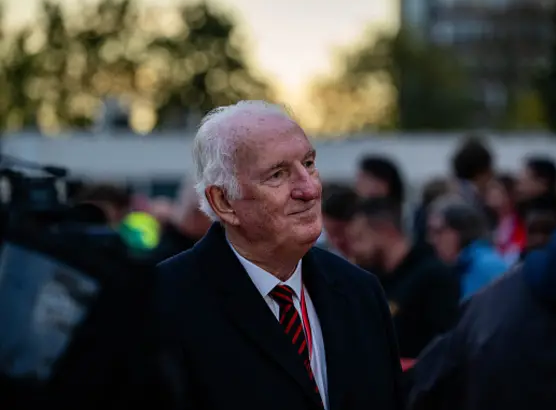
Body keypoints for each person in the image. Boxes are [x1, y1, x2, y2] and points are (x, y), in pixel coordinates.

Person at [135, 101, 405, 410]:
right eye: (277, 174)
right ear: (223, 201)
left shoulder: (360, 292)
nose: (309, 189)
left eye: (309, 163)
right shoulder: (163, 303)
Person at [409, 139, 556, 410]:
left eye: (439, 231)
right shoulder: (493, 300)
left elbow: (419, 392)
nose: (431, 239)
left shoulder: (493, 304)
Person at [347, 197, 460, 360]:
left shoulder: (434, 277)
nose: (354, 249)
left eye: (359, 238)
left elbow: (443, 347)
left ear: (384, 231)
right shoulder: (371, 278)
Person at [428, 195, 507, 301]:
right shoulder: (454, 269)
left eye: (438, 232)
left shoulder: (489, 267)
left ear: (459, 231)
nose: (432, 240)